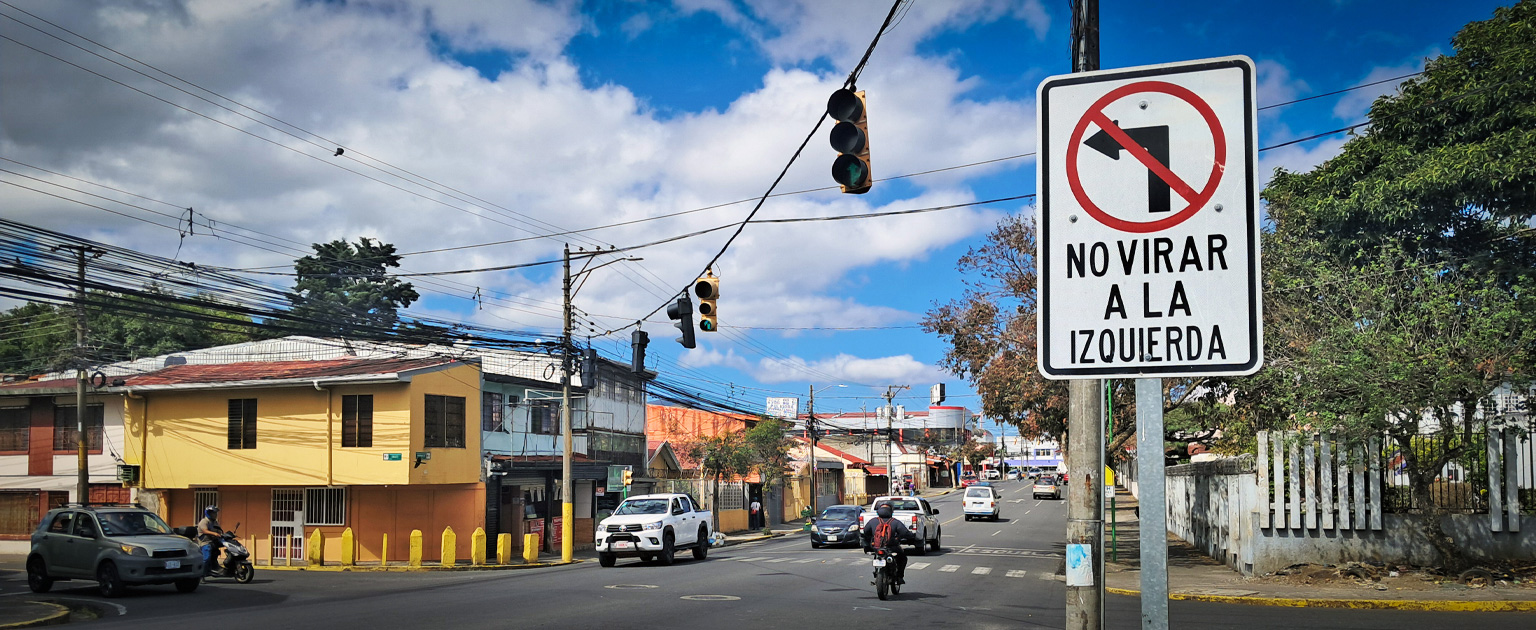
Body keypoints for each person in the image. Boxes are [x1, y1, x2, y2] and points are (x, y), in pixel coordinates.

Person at [861, 502, 915, 585]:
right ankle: (900, 577)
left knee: (876, 556)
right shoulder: (895, 522)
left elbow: (865, 533)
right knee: (903, 558)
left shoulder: (873, 521)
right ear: (891, 511)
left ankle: (876, 572)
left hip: (877, 548)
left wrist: (869, 544)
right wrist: (911, 536)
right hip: (891, 547)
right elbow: (905, 533)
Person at [197, 506, 224, 575]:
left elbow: (219, 530)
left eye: (215, 513)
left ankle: (215, 566)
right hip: (205, 542)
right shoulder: (204, 521)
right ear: (208, 513)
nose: (215, 514)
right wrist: (214, 533)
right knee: (207, 557)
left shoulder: (215, 522)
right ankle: (202, 574)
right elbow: (205, 530)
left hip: (213, 541)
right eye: (213, 513)